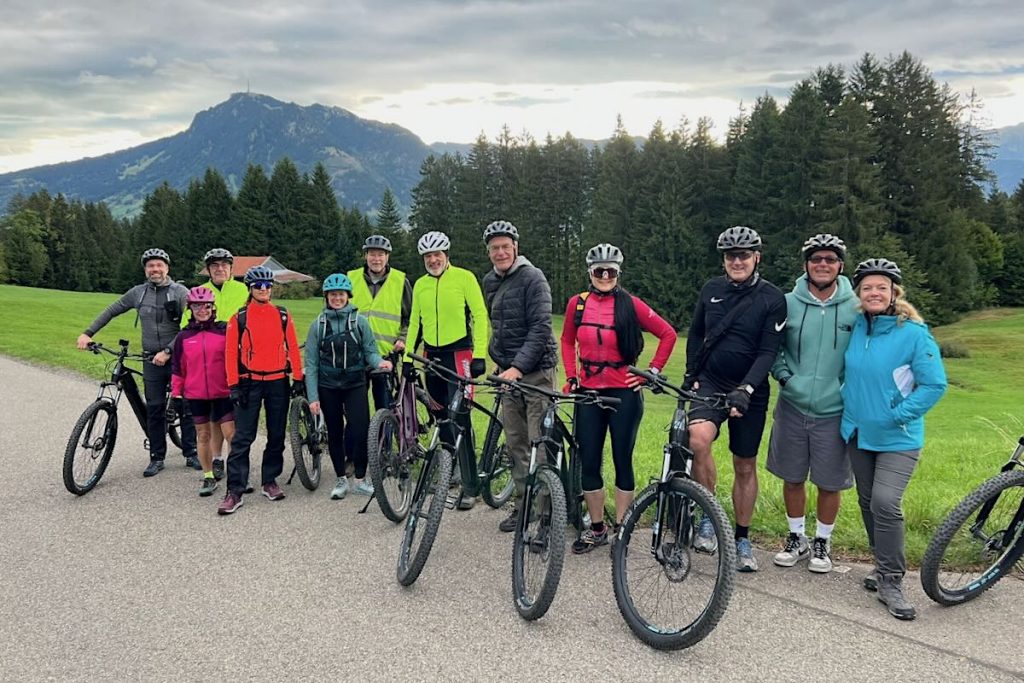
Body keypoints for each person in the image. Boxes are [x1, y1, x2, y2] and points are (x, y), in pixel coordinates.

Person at [842, 258, 947, 620]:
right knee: (869, 500)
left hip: (898, 437)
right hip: (857, 433)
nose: (874, 293)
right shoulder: (857, 328)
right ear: (860, 293)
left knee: (886, 502)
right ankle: (880, 562)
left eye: (881, 287)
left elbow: (935, 384)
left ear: (893, 293)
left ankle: (891, 579)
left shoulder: (915, 334)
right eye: (867, 287)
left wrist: (897, 414)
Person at [684, 226, 787, 572]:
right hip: (711, 382)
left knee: (744, 464)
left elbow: (767, 351)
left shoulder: (773, 298)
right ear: (724, 260)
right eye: (731, 255)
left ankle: (742, 537)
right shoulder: (711, 290)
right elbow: (697, 333)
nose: (737, 261)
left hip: (750, 389)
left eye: (744, 255)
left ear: (757, 257)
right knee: (697, 440)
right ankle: (710, 516)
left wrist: (746, 389)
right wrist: (691, 374)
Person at [561, 243, 676, 553]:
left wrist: (649, 372)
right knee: (589, 461)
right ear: (590, 273)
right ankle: (597, 528)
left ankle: (622, 530)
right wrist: (572, 376)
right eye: (599, 271)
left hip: (624, 393)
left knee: (622, 460)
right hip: (588, 393)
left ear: (618, 273)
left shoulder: (631, 304)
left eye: (611, 271)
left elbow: (668, 334)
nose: (605, 276)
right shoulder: (578, 304)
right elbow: (567, 339)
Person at [768, 234, 857, 574]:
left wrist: (844, 389)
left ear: (840, 266)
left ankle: (823, 541)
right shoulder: (787, 303)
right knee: (792, 477)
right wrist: (786, 379)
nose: (823, 264)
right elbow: (773, 348)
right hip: (792, 404)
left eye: (830, 259)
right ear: (806, 264)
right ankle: (796, 537)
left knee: (830, 481)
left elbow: (863, 354)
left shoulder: (855, 307)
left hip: (835, 410)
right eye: (816, 258)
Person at [77, 248, 198, 477]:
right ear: (145, 269)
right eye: (150, 266)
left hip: (178, 358)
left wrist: (168, 351)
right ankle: (157, 457)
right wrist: (87, 333)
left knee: (185, 407)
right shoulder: (138, 293)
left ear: (167, 268)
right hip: (150, 358)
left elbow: (190, 326)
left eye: (159, 265)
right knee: (154, 407)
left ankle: (190, 452)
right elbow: (111, 310)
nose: (155, 269)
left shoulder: (180, 292)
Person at [481, 220, 559, 533]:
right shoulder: (490, 281)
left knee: (539, 442)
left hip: (537, 372)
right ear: (489, 253)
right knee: (516, 444)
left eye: (505, 247)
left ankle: (546, 514)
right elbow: (500, 327)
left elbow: (541, 329)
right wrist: (501, 363)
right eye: (494, 248)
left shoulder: (533, 278)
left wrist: (518, 367)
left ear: (516, 247)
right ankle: (523, 507)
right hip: (509, 375)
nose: (500, 252)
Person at [404, 231, 489, 510]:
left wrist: (479, 355)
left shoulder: (464, 278)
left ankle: (471, 486)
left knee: (460, 416)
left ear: (446, 254)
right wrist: (407, 358)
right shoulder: (420, 285)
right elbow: (415, 322)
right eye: (428, 256)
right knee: (440, 414)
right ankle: (449, 469)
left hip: (459, 355)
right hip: (432, 357)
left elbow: (479, 315)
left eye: (437, 254)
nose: (433, 260)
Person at [218, 265, 304, 515]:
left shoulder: (283, 314)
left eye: (268, 286)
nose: (264, 290)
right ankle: (235, 490)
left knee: (277, 434)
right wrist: (233, 384)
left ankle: (269, 480)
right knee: (243, 437)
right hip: (249, 382)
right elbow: (230, 353)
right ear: (250, 288)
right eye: (259, 286)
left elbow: (293, 347)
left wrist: (297, 377)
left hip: (278, 381)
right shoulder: (239, 317)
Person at [304, 273, 393, 500]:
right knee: (334, 433)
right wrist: (313, 397)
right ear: (326, 297)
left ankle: (361, 480)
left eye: (341, 294)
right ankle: (341, 479)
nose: (337, 298)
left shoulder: (359, 322)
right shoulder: (318, 326)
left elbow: (370, 351)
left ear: (348, 296)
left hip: (355, 383)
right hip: (328, 385)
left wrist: (379, 362)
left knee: (361, 429)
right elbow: (311, 363)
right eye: (333, 295)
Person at [181, 248, 250, 481]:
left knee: (232, 420)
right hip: (209, 359)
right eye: (214, 266)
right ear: (208, 270)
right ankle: (217, 459)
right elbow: (186, 327)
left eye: (224, 265)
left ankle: (237, 466)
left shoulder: (243, 290)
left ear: (231, 268)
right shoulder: (200, 293)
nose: (220, 269)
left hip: (239, 359)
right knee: (213, 419)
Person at [171, 286, 236, 497]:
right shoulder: (183, 337)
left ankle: (236, 476)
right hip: (196, 393)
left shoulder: (223, 331)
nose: (202, 310)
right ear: (190, 309)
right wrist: (176, 394)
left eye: (206, 306)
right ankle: (208, 476)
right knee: (203, 435)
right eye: (197, 306)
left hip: (223, 391)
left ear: (212, 307)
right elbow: (178, 368)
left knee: (231, 435)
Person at [347, 235, 413, 411]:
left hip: (385, 355)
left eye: (380, 255)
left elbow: (410, 317)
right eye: (372, 254)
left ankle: (383, 438)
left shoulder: (400, 281)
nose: (376, 259)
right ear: (365, 256)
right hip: (355, 355)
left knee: (384, 407)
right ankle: (359, 438)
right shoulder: (351, 279)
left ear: (387, 256)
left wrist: (403, 338)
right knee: (355, 408)